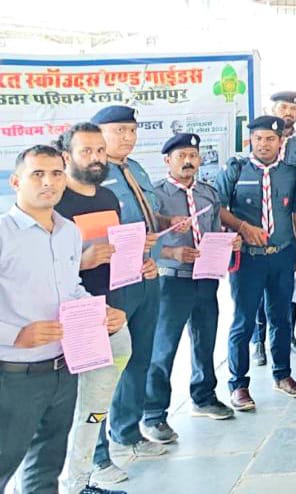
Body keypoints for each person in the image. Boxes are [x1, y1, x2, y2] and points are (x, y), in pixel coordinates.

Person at [1, 144, 126, 493]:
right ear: (16, 181)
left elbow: (71, 290)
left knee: (46, 466)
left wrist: (98, 311)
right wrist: (15, 335)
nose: (48, 182)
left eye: (56, 173)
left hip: (62, 368)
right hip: (14, 375)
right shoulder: (3, 234)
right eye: (37, 174)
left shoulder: (68, 231)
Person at [52, 126, 137, 492]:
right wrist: (82, 262)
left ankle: (81, 479)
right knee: (68, 409)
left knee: (96, 403)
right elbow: (43, 268)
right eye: (87, 151)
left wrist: (138, 262)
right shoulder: (55, 202)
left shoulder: (107, 196)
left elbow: (113, 255)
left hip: (112, 312)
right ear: (67, 157)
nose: (97, 158)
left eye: (101, 150)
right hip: (73, 319)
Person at [142, 133, 241, 445]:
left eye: (193, 156)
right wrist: (172, 253)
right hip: (171, 279)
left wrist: (229, 242)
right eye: (181, 155)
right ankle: (154, 414)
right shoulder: (154, 197)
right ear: (167, 161)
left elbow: (213, 233)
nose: (188, 161)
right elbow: (142, 240)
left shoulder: (208, 194)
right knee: (163, 348)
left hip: (205, 278)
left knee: (205, 340)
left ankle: (204, 397)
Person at [89, 104, 169, 461]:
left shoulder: (135, 169)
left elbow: (145, 218)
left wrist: (166, 225)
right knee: (108, 363)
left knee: (139, 356)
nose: (127, 137)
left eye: (132, 131)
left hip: (146, 274)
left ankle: (127, 431)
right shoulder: (91, 174)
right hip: (110, 282)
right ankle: (96, 447)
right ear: (98, 134)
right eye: (118, 130)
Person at [218, 116, 296, 411]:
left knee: (281, 318)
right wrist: (243, 228)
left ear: (280, 142)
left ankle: (282, 375)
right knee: (243, 321)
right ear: (251, 141)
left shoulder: (290, 173)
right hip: (247, 259)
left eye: (270, 139)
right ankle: (238, 384)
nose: (264, 144)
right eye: (258, 139)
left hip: (282, 255)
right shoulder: (235, 170)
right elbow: (219, 209)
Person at [253, 90, 296, 366]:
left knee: (288, 286)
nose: (288, 112)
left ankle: (288, 337)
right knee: (257, 291)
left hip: (294, 219)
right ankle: (258, 341)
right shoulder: (259, 139)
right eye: (284, 107)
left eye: (294, 109)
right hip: (261, 225)